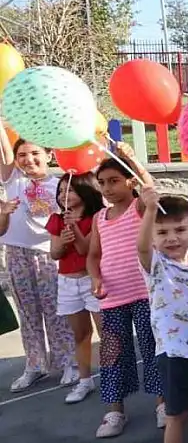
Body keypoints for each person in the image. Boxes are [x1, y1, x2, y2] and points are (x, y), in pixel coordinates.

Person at [87, 152, 164, 438]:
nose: (108, 188)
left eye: (114, 181)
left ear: (129, 181)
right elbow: (93, 256)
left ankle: (163, 404)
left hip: (145, 294)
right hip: (111, 298)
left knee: (154, 349)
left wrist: (133, 161)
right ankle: (114, 412)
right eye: (102, 183)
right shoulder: (99, 218)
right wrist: (95, 278)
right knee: (112, 355)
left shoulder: (139, 208)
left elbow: (150, 188)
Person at [136, 190, 188, 443]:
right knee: (177, 415)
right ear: (152, 236)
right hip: (173, 353)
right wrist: (149, 210)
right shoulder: (156, 264)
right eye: (162, 233)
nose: (172, 238)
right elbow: (141, 248)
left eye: (180, 230)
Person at [0, 131, 76, 393]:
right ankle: (35, 364)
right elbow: (5, 152)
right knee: (27, 311)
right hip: (17, 252)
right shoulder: (13, 180)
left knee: (56, 309)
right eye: (22, 155)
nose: (28, 159)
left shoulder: (59, 185)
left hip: (48, 253)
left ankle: (68, 361)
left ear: (49, 155)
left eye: (35, 153)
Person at [46, 173, 105, 404]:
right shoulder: (56, 219)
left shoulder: (97, 218)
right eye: (60, 191)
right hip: (67, 282)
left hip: (92, 280)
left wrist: (76, 231)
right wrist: (62, 239)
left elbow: (85, 251)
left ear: (85, 191)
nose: (63, 195)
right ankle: (84, 380)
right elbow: (55, 253)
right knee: (80, 334)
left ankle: (113, 376)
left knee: (105, 333)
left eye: (69, 190)